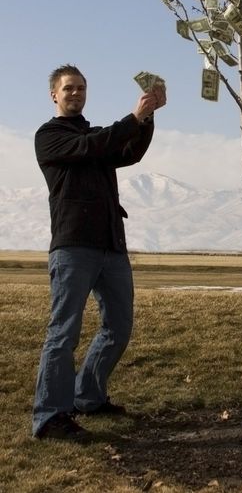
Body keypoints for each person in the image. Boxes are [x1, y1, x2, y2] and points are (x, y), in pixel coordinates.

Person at [32, 64, 166, 442]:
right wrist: (133, 117)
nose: (76, 94)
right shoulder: (50, 136)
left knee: (119, 326)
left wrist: (148, 117)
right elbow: (96, 146)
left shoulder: (97, 135)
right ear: (54, 95)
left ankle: (87, 397)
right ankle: (50, 416)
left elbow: (128, 152)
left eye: (81, 88)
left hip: (111, 244)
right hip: (73, 246)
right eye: (69, 88)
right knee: (63, 332)